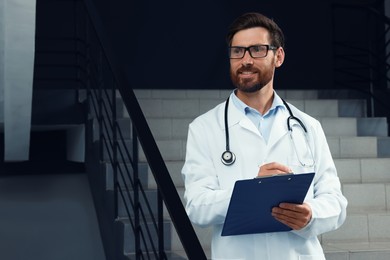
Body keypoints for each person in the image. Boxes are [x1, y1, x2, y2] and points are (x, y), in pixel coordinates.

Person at [181, 12, 348, 259]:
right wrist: (251, 190)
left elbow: (336, 202)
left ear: (278, 56)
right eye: (237, 51)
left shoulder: (307, 126)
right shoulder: (204, 128)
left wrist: (311, 214)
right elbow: (197, 206)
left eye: (257, 50)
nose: (245, 60)